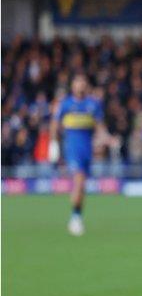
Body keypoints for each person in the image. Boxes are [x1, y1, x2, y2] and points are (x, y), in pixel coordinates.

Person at [48, 73, 106, 236]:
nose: (80, 85)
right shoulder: (65, 104)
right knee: (79, 181)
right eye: (77, 81)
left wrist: (107, 139)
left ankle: (77, 215)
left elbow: (100, 127)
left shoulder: (93, 105)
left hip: (87, 150)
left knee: (81, 186)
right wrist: (53, 144)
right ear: (73, 85)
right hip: (72, 149)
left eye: (83, 82)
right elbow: (54, 124)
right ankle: (75, 218)